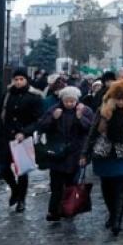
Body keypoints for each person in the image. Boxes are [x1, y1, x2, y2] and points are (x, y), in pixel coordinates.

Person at [80, 80, 123, 236]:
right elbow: (92, 133)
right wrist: (85, 153)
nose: (121, 102)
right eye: (118, 99)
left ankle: (116, 221)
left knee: (120, 188)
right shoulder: (103, 111)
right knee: (107, 188)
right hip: (103, 155)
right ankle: (112, 213)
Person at [38, 86, 94, 221]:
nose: (69, 104)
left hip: (75, 153)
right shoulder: (54, 110)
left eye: (72, 101)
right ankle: (53, 211)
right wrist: (53, 118)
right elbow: (42, 126)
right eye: (67, 101)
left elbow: (90, 130)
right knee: (56, 185)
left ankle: (69, 209)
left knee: (71, 184)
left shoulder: (84, 110)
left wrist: (80, 118)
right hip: (57, 153)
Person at [0, 68, 44, 212]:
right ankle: (14, 190)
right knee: (4, 168)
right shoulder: (8, 94)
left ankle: (21, 200)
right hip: (6, 136)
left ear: (26, 80)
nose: (18, 82)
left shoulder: (34, 97)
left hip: (23, 138)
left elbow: (38, 120)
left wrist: (25, 132)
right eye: (16, 79)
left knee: (22, 171)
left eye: (21, 79)